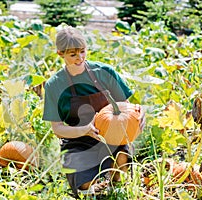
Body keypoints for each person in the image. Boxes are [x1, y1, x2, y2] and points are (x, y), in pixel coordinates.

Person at [42, 26, 145, 197]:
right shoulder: (55, 85)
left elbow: (125, 106)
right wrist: (84, 130)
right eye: (73, 55)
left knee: (122, 158)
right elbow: (58, 129)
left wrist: (138, 114)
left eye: (82, 52)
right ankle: (88, 191)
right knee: (83, 180)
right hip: (78, 139)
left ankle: (115, 185)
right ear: (61, 54)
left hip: (112, 134)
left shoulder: (104, 72)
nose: (79, 58)